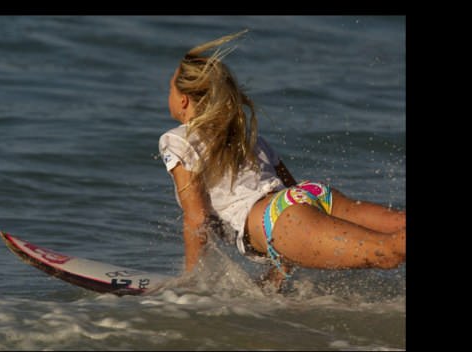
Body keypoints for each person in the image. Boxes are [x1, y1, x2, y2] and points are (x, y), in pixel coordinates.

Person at [158, 30, 406, 288]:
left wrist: (191, 284)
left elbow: (196, 218)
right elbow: (293, 195)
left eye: (169, 89)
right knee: (399, 223)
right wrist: (280, 267)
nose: (168, 95)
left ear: (184, 100)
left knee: (388, 253)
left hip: (275, 219)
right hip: (311, 196)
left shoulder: (176, 141)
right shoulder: (248, 138)